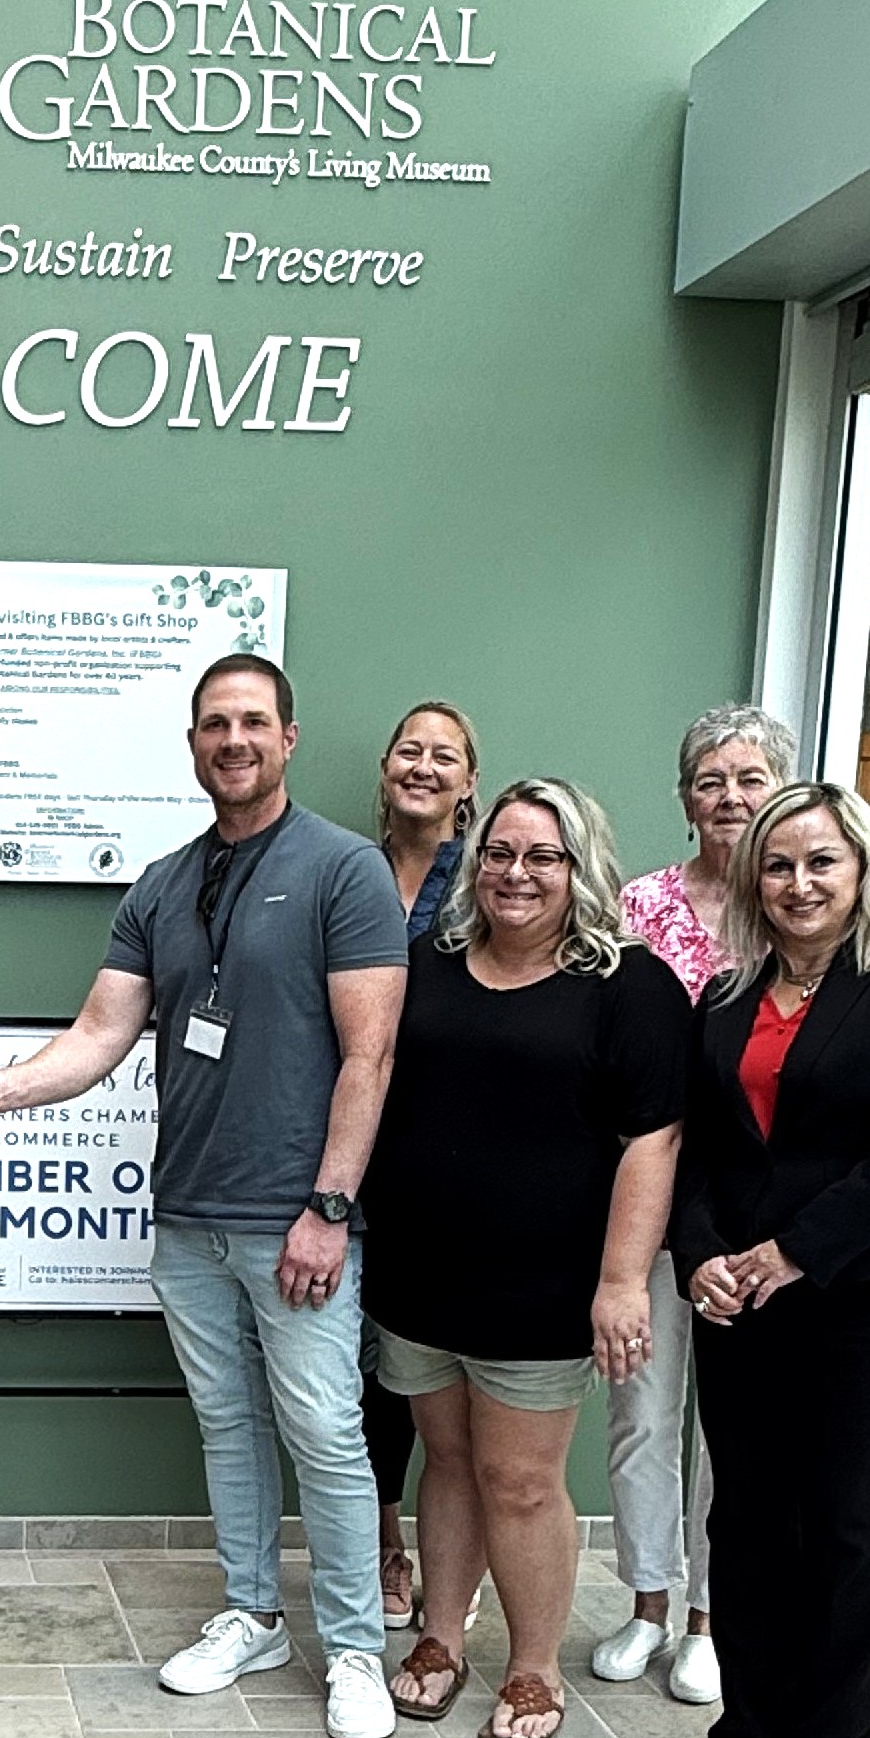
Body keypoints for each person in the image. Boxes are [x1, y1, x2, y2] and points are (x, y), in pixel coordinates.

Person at [0, 654, 408, 1738]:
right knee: (227, 1424)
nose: (233, 740)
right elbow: (98, 1035)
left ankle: (356, 1649)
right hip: (186, 1217)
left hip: (295, 1218)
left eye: (252, 721)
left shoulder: (343, 869)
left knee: (325, 1432)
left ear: (288, 737)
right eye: (214, 724)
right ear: (192, 744)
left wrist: (328, 1208)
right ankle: (251, 1614)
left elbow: (370, 1055)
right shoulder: (161, 884)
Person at [364, 779, 687, 1738]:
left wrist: (621, 1282)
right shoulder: (430, 962)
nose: (515, 874)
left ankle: (534, 1666)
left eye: (542, 856)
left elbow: (653, 1140)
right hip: (421, 1277)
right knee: (448, 1460)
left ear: (579, 868)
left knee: (519, 1480)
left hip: (542, 1288)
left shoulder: (628, 986)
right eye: (499, 853)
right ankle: (440, 1637)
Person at [675, 782, 870, 1738]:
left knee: (846, 1537)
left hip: (869, 1306)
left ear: (861, 868)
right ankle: (748, 1729)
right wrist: (699, 1255)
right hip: (742, 1307)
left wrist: (794, 1251)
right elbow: (696, 1151)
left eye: (821, 862)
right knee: (745, 1529)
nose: (797, 883)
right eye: (776, 866)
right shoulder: (725, 996)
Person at [598, 704, 793, 1707]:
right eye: (709, 780)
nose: (729, 796)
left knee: (732, 1426)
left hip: (753, 1212)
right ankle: (644, 1601)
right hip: (647, 1199)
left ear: (779, 791)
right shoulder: (637, 906)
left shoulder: (801, 907)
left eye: (749, 778)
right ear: (684, 798)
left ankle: (709, 1620)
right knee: (639, 1408)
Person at [367, 699, 479, 1632]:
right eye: (410, 751)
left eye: (445, 756)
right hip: (353, 1143)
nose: (424, 767)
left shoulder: (492, 880)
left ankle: (457, 1563)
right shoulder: (345, 871)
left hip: (453, 1149)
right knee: (370, 1365)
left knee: (442, 1367)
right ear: (384, 769)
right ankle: (383, 1540)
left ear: (468, 781)